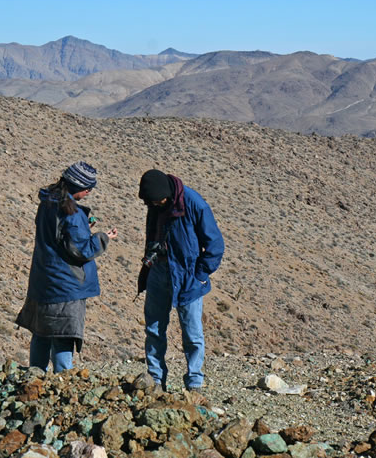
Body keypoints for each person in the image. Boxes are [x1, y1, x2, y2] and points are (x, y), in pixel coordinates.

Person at [15, 161, 117, 372]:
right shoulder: (72, 213)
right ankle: (63, 381)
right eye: (88, 189)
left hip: (43, 279)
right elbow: (83, 251)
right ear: (79, 187)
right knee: (63, 335)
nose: (89, 193)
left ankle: (35, 376)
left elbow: (59, 237)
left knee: (41, 333)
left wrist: (82, 229)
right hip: (66, 285)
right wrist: (103, 237)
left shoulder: (47, 203)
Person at [137, 169, 224, 390]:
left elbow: (215, 245)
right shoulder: (156, 204)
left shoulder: (194, 204)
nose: (156, 205)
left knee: (192, 334)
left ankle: (194, 383)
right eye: (152, 203)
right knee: (154, 330)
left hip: (188, 277)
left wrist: (199, 275)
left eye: (159, 202)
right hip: (159, 271)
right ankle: (156, 380)